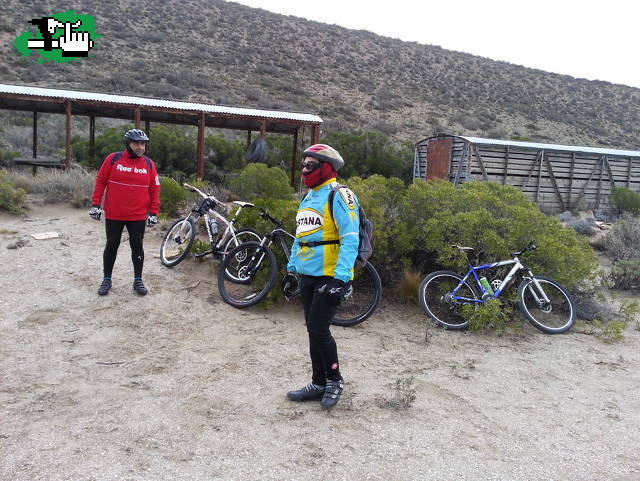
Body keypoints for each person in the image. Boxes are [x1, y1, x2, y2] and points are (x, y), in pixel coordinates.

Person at [282, 144, 360, 409]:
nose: (304, 170)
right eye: (303, 165)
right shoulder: (308, 198)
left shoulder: (340, 194)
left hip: (329, 275)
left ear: (326, 167)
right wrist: (292, 270)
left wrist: (341, 279)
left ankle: (334, 379)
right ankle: (318, 382)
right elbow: (300, 238)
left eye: (310, 165)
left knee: (318, 329)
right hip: (307, 274)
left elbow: (350, 239)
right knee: (313, 331)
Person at [89, 129, 160, 296]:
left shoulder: (149, 164)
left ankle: (138, 280)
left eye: (143, 144)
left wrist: (154, 212)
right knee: (111, 245)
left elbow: (155, 189)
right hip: (114, 213)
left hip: (137, 215)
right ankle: (107, 279)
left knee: (137, 247)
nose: (140, 147)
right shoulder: (113, 159)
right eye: (136, 143)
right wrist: (95, 204)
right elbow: (100, 181)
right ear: (128, 144)